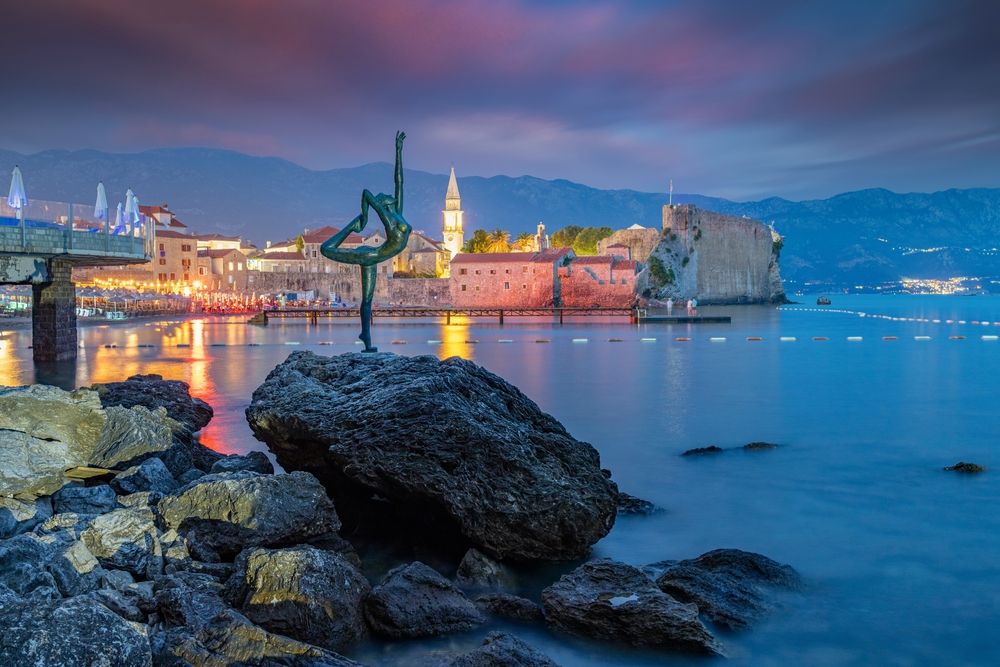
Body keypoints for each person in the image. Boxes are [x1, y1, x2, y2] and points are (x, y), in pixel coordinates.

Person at [321, 132, 412, 352]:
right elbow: (366, 193)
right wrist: (363, 218)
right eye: (384, 195)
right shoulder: (389, 218)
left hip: (373, 257)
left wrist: (398, 150)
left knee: (367, 301)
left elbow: (399, 180)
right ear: (383, 203)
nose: (388, 193)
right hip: (367, 255)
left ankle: (366, 339)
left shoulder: (397, 211)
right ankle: (351, 226)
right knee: (325, 249)